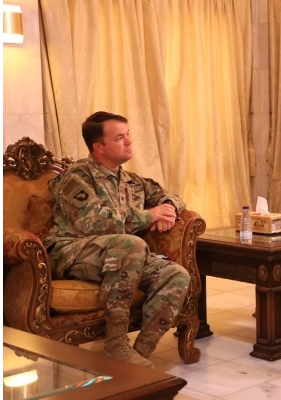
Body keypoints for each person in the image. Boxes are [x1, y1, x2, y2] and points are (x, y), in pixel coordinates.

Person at [44, 111, 190, 369]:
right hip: (72, 251)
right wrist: (149, 215)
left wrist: (167, 209)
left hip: (123, 257)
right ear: (98, 147)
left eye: (128, 135)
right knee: (131, 243)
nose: (129, 141)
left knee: (176, 274)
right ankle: (116, 342)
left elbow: (173, 197)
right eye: (120, 137)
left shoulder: (132, 181)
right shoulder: (76, 176)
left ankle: (139, 354)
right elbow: (91, 221)